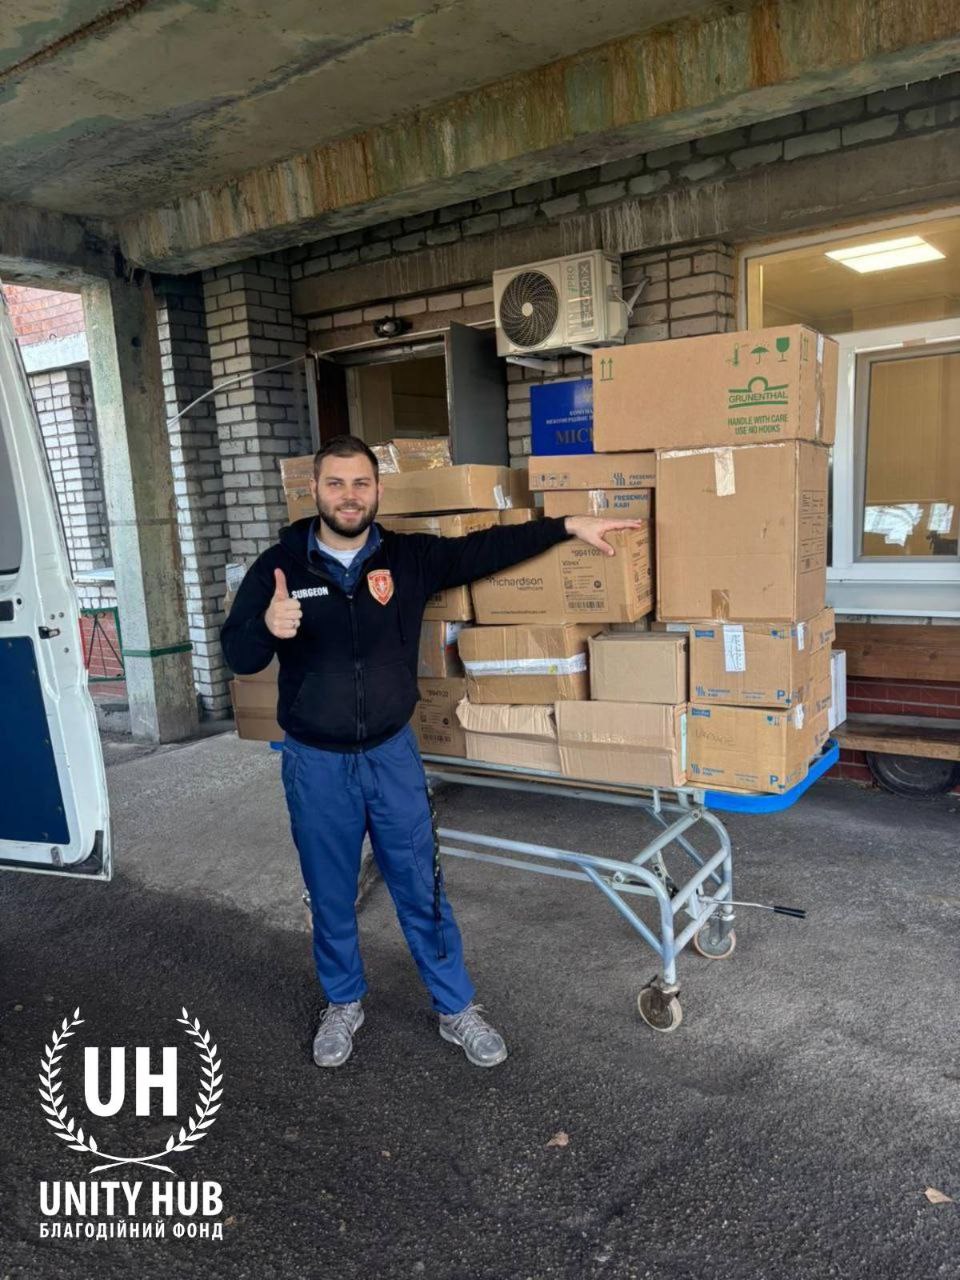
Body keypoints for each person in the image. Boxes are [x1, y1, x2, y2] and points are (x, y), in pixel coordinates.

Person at [221, 435, 642, 1069]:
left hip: (392, 755)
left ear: (377, 491)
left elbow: (485, 550)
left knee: (421, 887)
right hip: (316, 762)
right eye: (335, 484)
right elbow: (239, 654)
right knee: (330, 893)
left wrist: (566, 525)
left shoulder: (409, 557)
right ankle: (343, 1002)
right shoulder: (279, 567)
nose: (348, 496)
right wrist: (266, 627)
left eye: (360, 483)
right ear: (315, 491)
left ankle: (455, 1007)